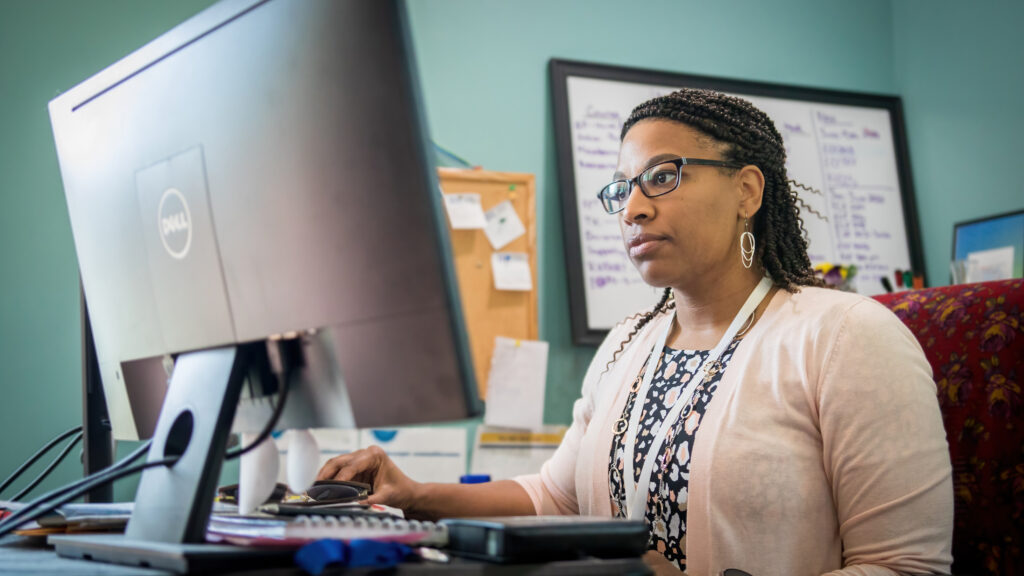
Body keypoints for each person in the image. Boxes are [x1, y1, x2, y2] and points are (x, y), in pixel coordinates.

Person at [318, 88, 953, 575]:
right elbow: (557, 498)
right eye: (623, 188)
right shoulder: (627, 344)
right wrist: (412, 495)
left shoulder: (844, 336)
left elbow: (905, 567)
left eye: (663, 176)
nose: (633, 208)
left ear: (748, 190)